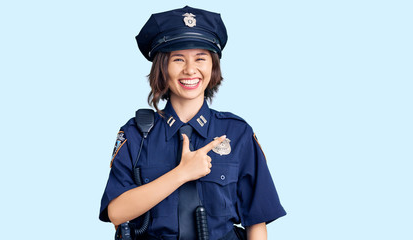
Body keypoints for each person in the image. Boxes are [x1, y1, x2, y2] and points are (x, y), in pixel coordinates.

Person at [99, 6, 286, 240]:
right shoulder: (136, 133)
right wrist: (182, 173)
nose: (190, 70)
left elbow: (256, 222)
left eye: (200, 58)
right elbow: (116, 213)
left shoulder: (237, 133)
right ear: (162, 67)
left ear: (212, 66)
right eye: (178, 59)